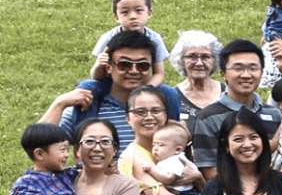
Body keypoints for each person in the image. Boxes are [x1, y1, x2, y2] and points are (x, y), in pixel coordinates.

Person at [43, 31, 184, 153]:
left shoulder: (163, 106)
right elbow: (39, 143)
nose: (133, 71)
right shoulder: (89, 105)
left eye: (142, 65)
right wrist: (59, 103)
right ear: (108, 67)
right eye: (124, 65)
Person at [188, 39, 282, 181]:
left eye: (253, 68)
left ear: (262, 72)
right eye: (238, 68)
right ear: (223, 74)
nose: (246, 75)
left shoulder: (274, 114)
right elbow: (209, 172)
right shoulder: (207, 118)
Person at [89, 0, 169, 86]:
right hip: (111, 86)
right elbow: (96, 76)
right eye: (125, 12)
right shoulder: (108, 38)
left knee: (167, 91)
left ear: (149, 13)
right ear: (116, 17)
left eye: (139, 11)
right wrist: (99, 65)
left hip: (141, 84)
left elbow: (158, 73)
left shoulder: (154, 39)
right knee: (87, 85)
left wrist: (146, 90)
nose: (133, 16)